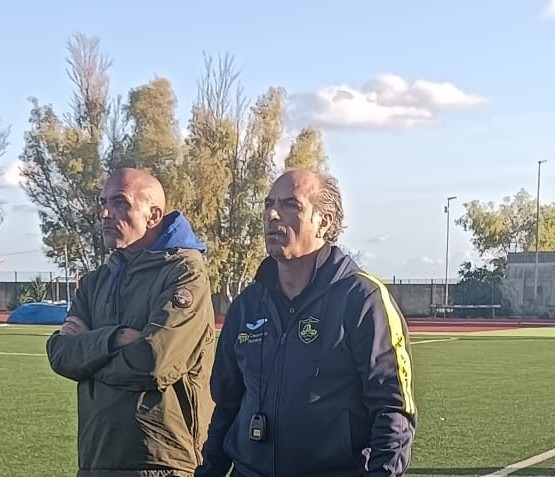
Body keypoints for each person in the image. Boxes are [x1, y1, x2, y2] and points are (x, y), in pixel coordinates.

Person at [196, 168, 416, 477]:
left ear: (324, 222)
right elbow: (226, 407)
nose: (272, 215)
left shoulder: (363, 299)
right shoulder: (247, 305)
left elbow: (392, 409)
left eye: (290, 205)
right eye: (269, 204)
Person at [46, 168, 216, 477]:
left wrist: (89, 357)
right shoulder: (96, 281)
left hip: (159, 461)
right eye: (103, 202)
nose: (105, 213)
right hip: (95, 458)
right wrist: (115, 339)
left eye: (120, 202)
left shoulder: (184, 272)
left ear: (153, 216)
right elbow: (59, 354)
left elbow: (155, 361)